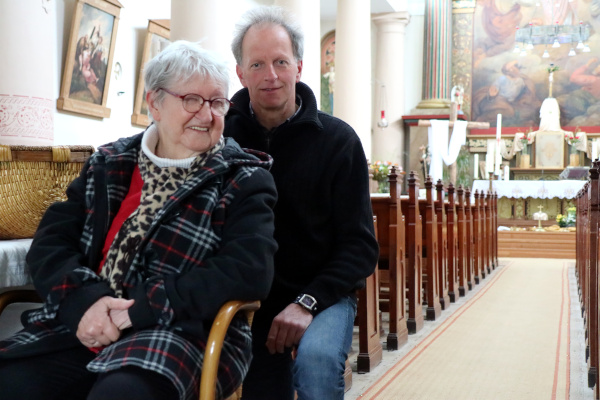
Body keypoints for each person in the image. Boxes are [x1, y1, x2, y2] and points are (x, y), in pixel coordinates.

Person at [0, 40, 278, 400]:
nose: (207, 115)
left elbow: (249, 270)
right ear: (154, 103)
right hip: (86, 321)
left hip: (181, 331)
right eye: (192, 100)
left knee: (121, 394)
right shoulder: (109, 163)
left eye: (217, 103)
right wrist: (83, 303)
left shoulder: (243, 178)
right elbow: (50, 243)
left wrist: (142, 309)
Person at [224, 6, 378, 400]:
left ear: (299, 67)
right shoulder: (219, 137)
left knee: (316, 364)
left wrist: (307, 302)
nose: (270, 75)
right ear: (240, 73)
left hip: (321, 296)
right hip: (243, 297)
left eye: (280, 62)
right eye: (257, 64)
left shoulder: (338, 141)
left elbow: (360, 247)